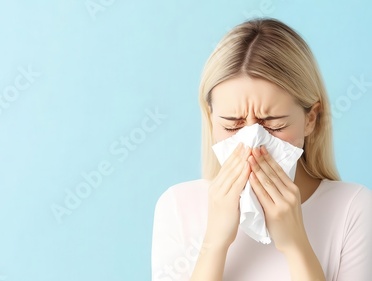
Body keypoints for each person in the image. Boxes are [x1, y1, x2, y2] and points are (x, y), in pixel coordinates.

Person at [151, 18, 372, 281]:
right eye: (232, 126)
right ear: (211, 119)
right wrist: (214, 244)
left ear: (310, 119)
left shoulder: (353, 208)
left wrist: (295, 244)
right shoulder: (177, 206)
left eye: (274, 125)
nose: (252, 142)